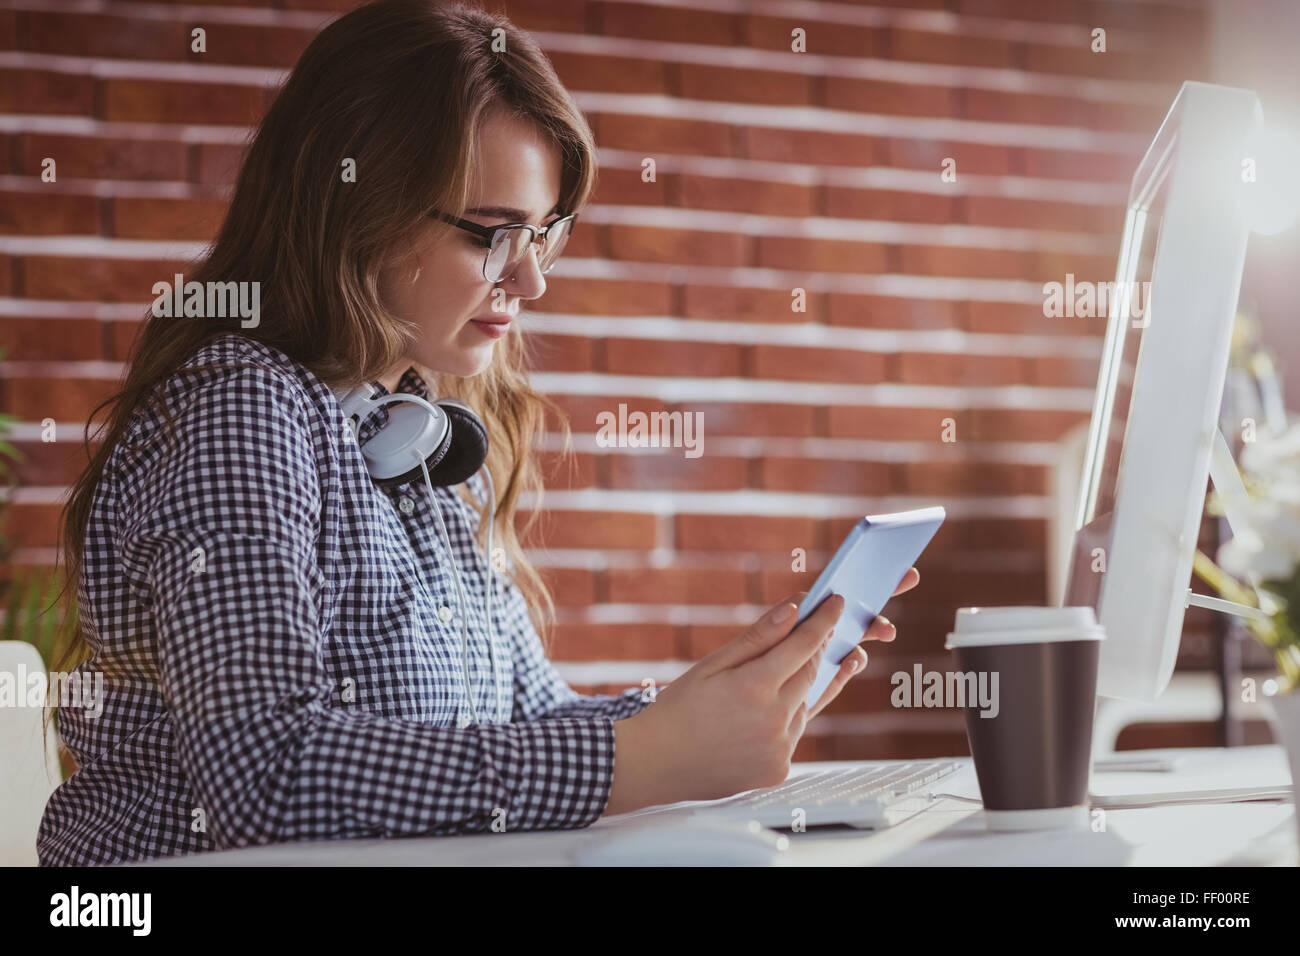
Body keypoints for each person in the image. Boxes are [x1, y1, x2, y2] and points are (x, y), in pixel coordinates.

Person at [37, 0, 918, 866]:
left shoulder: (415, 438)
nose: (531, 280)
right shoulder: (242, 410)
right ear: (356, 207)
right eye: (494, 234)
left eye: (542, 234)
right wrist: (641, 757)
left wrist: (710, 706)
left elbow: (523, 727)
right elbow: (266, 775)